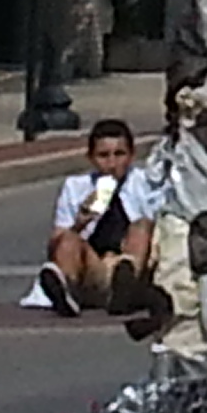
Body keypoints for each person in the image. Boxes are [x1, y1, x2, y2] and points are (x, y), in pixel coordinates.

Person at [38, 119, 167, 331]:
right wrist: (79, 224)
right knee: (68, 239)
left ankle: (125, 284)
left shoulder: (145, 183)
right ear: (91, 158)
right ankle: (66, 288)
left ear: (131, 156)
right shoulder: (76, 187)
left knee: (142, 226)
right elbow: (54, 243)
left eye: (119, 154)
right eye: (103, 156)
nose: (112, 163)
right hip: (93, 267)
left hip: (132, 263)